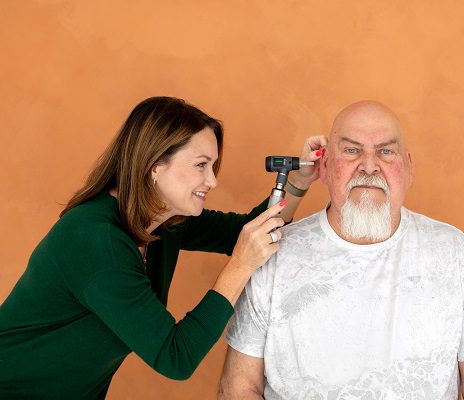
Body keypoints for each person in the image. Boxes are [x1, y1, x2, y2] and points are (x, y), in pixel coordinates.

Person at [0, 96, 326, 399]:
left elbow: (243, 232)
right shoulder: (97, 240)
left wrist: (297, 183)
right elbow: (175, 357)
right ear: (155, 165)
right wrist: (240, 267)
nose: (212, 181)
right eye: (201, 165)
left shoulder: (163, 221)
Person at [220, 101, 464, 400]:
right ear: (325, 166)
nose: (369, 165)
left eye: (386, 151)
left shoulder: (453, 253)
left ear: (408, 167)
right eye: (351, 150)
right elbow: (238, 390)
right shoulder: (273, 254)